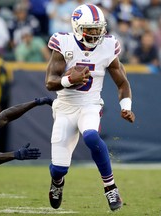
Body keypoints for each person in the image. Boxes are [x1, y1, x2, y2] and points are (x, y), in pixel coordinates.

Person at [45, 4, 135, 212]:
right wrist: (69, 79)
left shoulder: (108, 45)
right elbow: (50, 82)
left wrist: (126, 105)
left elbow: (122, 83)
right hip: (65, 107)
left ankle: (110, 187)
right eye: (90, 29)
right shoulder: (64, 42)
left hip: (90, 105)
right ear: (77, 27)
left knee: (92, 137)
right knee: (58, 169)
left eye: (98, 28)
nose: (96, 33)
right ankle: (57, 183)